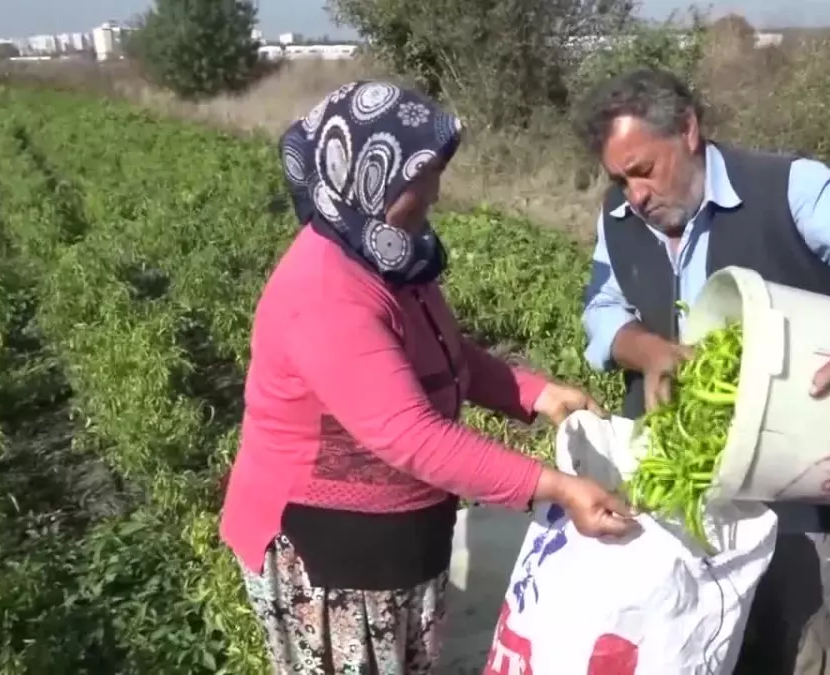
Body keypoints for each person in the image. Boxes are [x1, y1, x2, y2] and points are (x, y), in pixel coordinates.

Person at [219, 79, 637, 675]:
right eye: (421, 175)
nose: (436, 189)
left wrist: (535, 393)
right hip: (334, 558)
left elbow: (438, 351)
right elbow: (409, 435)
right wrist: (558, 487)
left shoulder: (387, 249)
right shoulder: (324, 292)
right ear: (367, 173)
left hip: (399, 539)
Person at [574, 68, 830, 675]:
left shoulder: (786, 187)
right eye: (620, 178)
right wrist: (646, 350)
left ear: (689, 130)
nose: (634, 194)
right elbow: (602, 307)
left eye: (643, 170)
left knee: (796, 642)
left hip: (789, 485)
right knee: (686, 639)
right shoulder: (619, 218)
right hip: (681, 485)